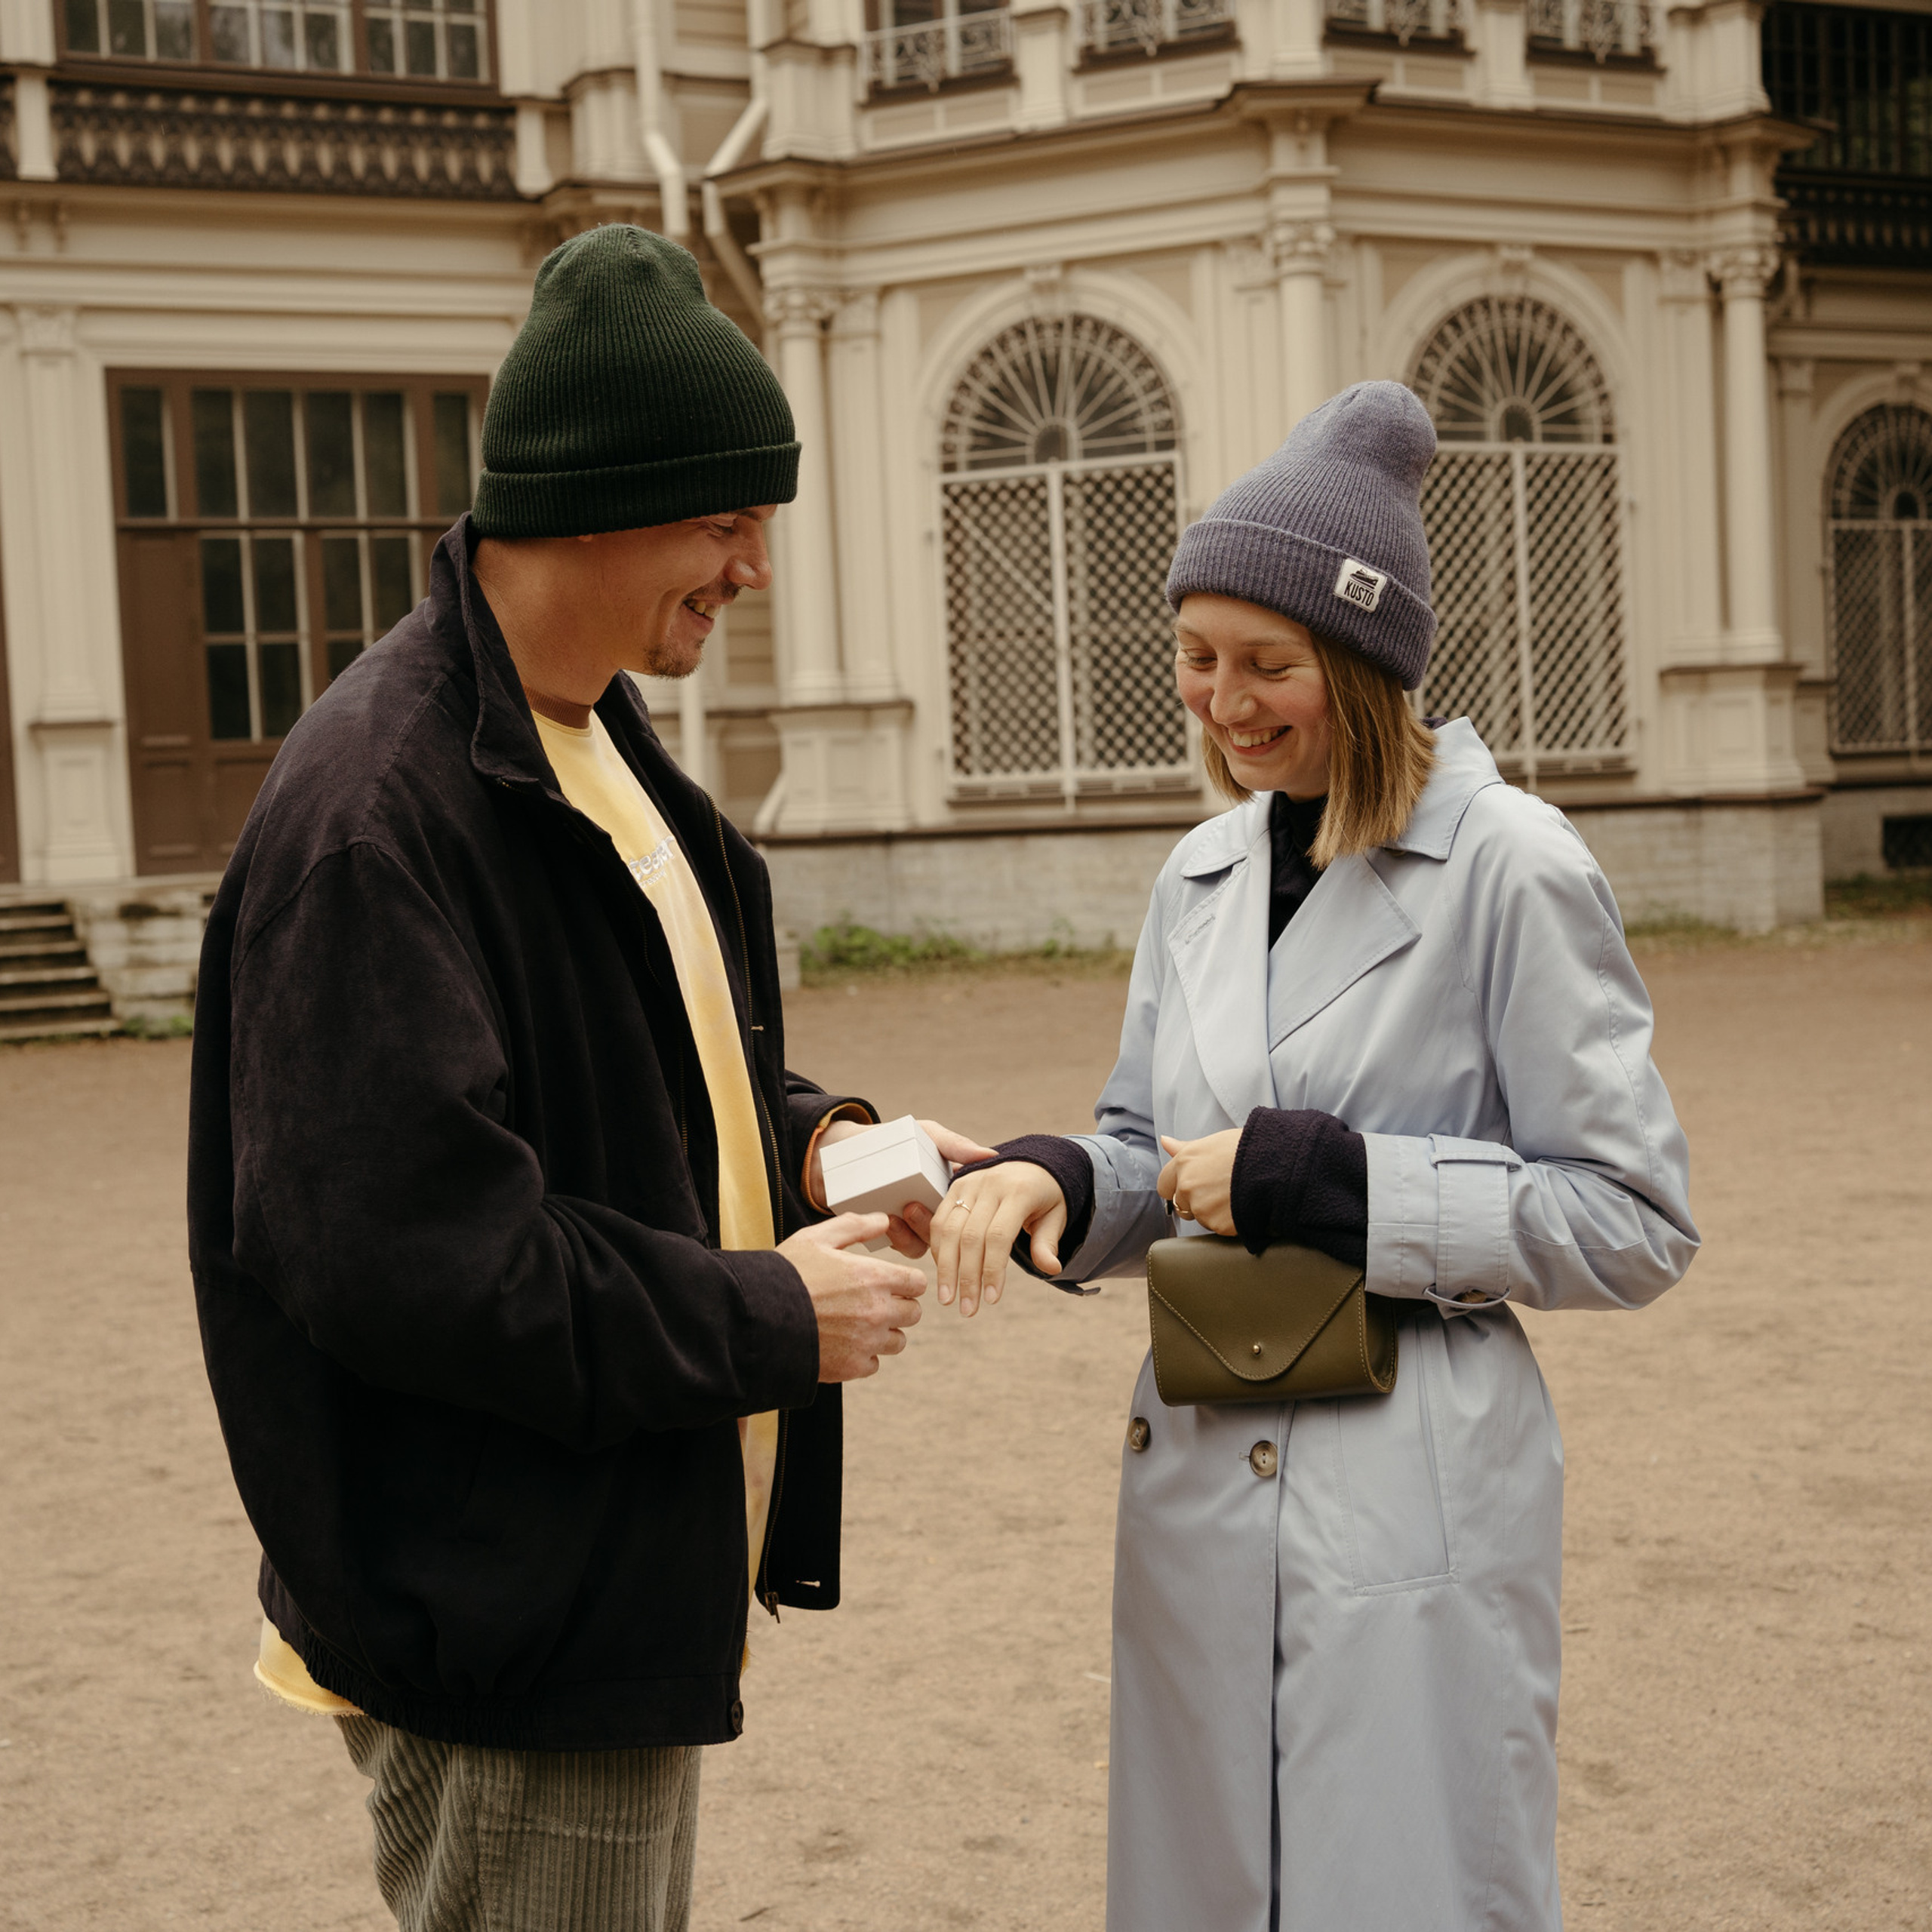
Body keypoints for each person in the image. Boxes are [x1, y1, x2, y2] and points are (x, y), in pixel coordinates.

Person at [186, 224, 992, 1932]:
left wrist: (828, 1145)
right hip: (504, 1619)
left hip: (596, 1560)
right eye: (724, 521)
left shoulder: (584, 726)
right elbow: (422, 1263)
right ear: (599, 503)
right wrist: (770, 1317)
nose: (749, 568)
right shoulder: (376, 816)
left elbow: (646, 1066)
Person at [918, 381, 1699, 1932]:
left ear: (1364, 660)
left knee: (1401, 1888)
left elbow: (1628, 1217)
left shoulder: (1513, 868)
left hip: (1408, 1484)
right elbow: (1157, 1143)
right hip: (1200, 1480)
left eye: (1266, 663)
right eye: (1195, 659)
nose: (1222, 701)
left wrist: (1341, 1186)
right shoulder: (1197, 871)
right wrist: (1060, 1181)